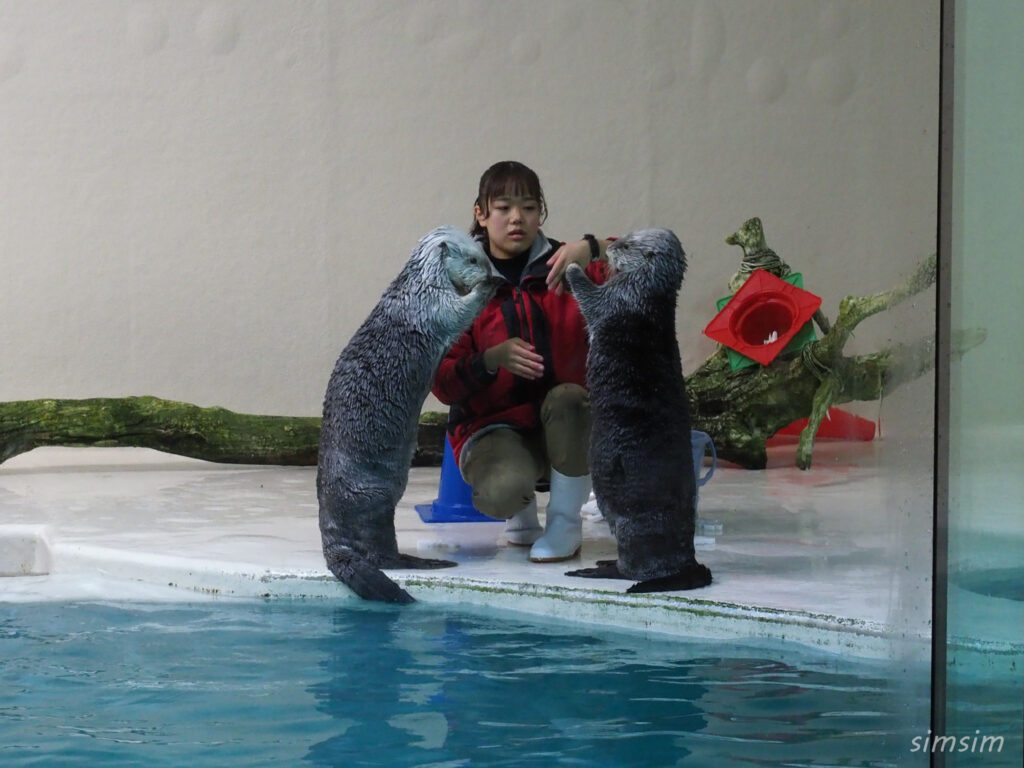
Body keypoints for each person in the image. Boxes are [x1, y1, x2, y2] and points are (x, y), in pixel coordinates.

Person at [432, 161, 611, 562]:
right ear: (481, 213)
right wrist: (489, 360)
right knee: (501, 490)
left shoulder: (566, 266)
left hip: (564, 426)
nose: (518, 218)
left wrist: (592, 246)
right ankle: (520, 512)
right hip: (491, 429)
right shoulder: (460, 284)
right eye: (503, 208)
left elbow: (646, 258)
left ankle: (565, 525)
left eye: (529, 207)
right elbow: (442, 383)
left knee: (570, 399)